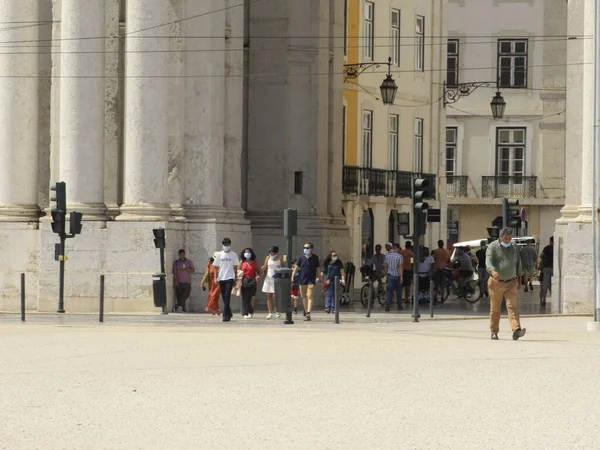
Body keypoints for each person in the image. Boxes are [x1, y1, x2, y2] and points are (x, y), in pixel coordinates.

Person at [486, 227, 527, 341]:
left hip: (511, 282)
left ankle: (516, 330)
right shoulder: (492, 247)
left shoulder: (514, 247)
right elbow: (488, 261)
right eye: (505, 238)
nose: (508, 241)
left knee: (512, 307)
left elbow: (518, 262)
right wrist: (493, 271)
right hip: (496, 282)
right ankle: (494, 332)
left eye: (509, 238)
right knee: (495, 309)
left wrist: (520, 278)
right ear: (500, 237)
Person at [292, 241, 321, 322]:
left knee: (310, 295)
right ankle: (306, 310)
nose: (305, 249)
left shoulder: (315, 257)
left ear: (311, 249)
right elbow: (296, 268)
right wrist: (292, 276)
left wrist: (320, 277)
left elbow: (318, 268)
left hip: (311, 280)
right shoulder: (301, 257)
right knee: (304, 296)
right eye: (304, 248)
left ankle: (308, 312)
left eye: (307, 248)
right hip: (302, 279)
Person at [212, 237, 239, 322]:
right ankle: (229, 312)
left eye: (227, 245)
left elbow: (235, 267)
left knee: (227, 296)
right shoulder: (220, 254)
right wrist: (216, 277)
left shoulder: (233, 255)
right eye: (225, 245)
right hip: (221, 277)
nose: (226, 246)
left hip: (230, 277)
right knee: (224, 297)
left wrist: (236, 278)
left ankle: (225, 315)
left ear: (230, 245)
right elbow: (215, 267)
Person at [262, 246, 282, 319]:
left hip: (276, 278)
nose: (271, 254)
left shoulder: (280, 258)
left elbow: (283, 267)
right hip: (268, 277)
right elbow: (265, 267)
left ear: (276, 252)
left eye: (273, 253)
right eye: (270, 253)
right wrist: (263, 268)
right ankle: (270, 312)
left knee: (276, 296)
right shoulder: (267, 258)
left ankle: (277, 311)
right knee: (269, 296)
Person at [240, 247, 260, 319]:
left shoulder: (254, 263)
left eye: (248, 252)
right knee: (245, 298)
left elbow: (258, 271)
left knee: (249, 298)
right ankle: (247, 312)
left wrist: (257, 276)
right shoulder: (242, 262)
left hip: (252, 281)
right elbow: (238, 271)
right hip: (244, 281)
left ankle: (248, 312)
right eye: (246, 252)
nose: (247, 254)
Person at [383, 243, 403, 312]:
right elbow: (400, 267)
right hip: (397, 275)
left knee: (389, 291)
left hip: (390, 275)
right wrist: (401, 277)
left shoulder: (387, 256)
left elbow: (385, 266)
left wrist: (386, 274)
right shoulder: (400, 256)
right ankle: (399, 304)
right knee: (399, 291)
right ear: (397, 248)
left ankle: (387, 304)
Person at [539, 236, 554, 305]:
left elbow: (541, 255)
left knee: (545, 284)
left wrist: (545, 261)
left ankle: (543, 299)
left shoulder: (547, 248)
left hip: (547, 268)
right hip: (554, 268)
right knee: (552, 285)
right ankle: (553, 298)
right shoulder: (556, 248)